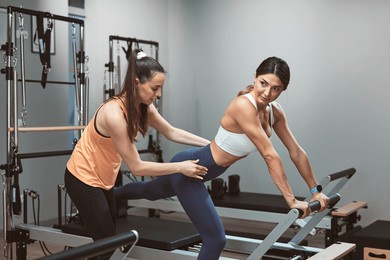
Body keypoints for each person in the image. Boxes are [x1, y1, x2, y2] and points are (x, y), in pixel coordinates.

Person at [115, 56, 330, 260]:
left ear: (283, 90)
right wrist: (291, 200)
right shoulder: (244, 106)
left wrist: (315, 191)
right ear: (255, 77)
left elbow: (296, 151)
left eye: (276, 89)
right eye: (263, 83)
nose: (267, 92)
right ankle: (105, 194)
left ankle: (109, 193)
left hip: (203, 168)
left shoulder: (275, 112)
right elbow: (270, 155)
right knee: (215, 239)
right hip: (191, 170)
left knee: (149, 191)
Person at [64, 49, 209, 259]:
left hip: (104, 180)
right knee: (106, 247)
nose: (158, 94)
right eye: (155, 88)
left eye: (160, 89)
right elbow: (137, 167)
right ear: (136, 83)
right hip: (82, 179)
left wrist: (212, 146)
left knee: (105, 244)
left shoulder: (143, 107)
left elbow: (171, 131)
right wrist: (181, 167)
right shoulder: (114, 114)